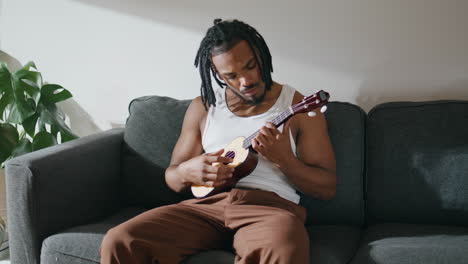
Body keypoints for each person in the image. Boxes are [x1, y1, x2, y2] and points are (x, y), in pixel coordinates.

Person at [100, 18, 336, 264]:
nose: (245, 81)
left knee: (284, 248)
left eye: (250, 66)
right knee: (121, 239)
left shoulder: (297, 107)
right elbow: (172, 178)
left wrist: (285, 160)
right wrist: (187, 171)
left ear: (261, 56)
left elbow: (327, 187)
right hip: (206, 207)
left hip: (270, 210)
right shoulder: (203, 107)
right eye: (231, 75)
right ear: (216, 73)